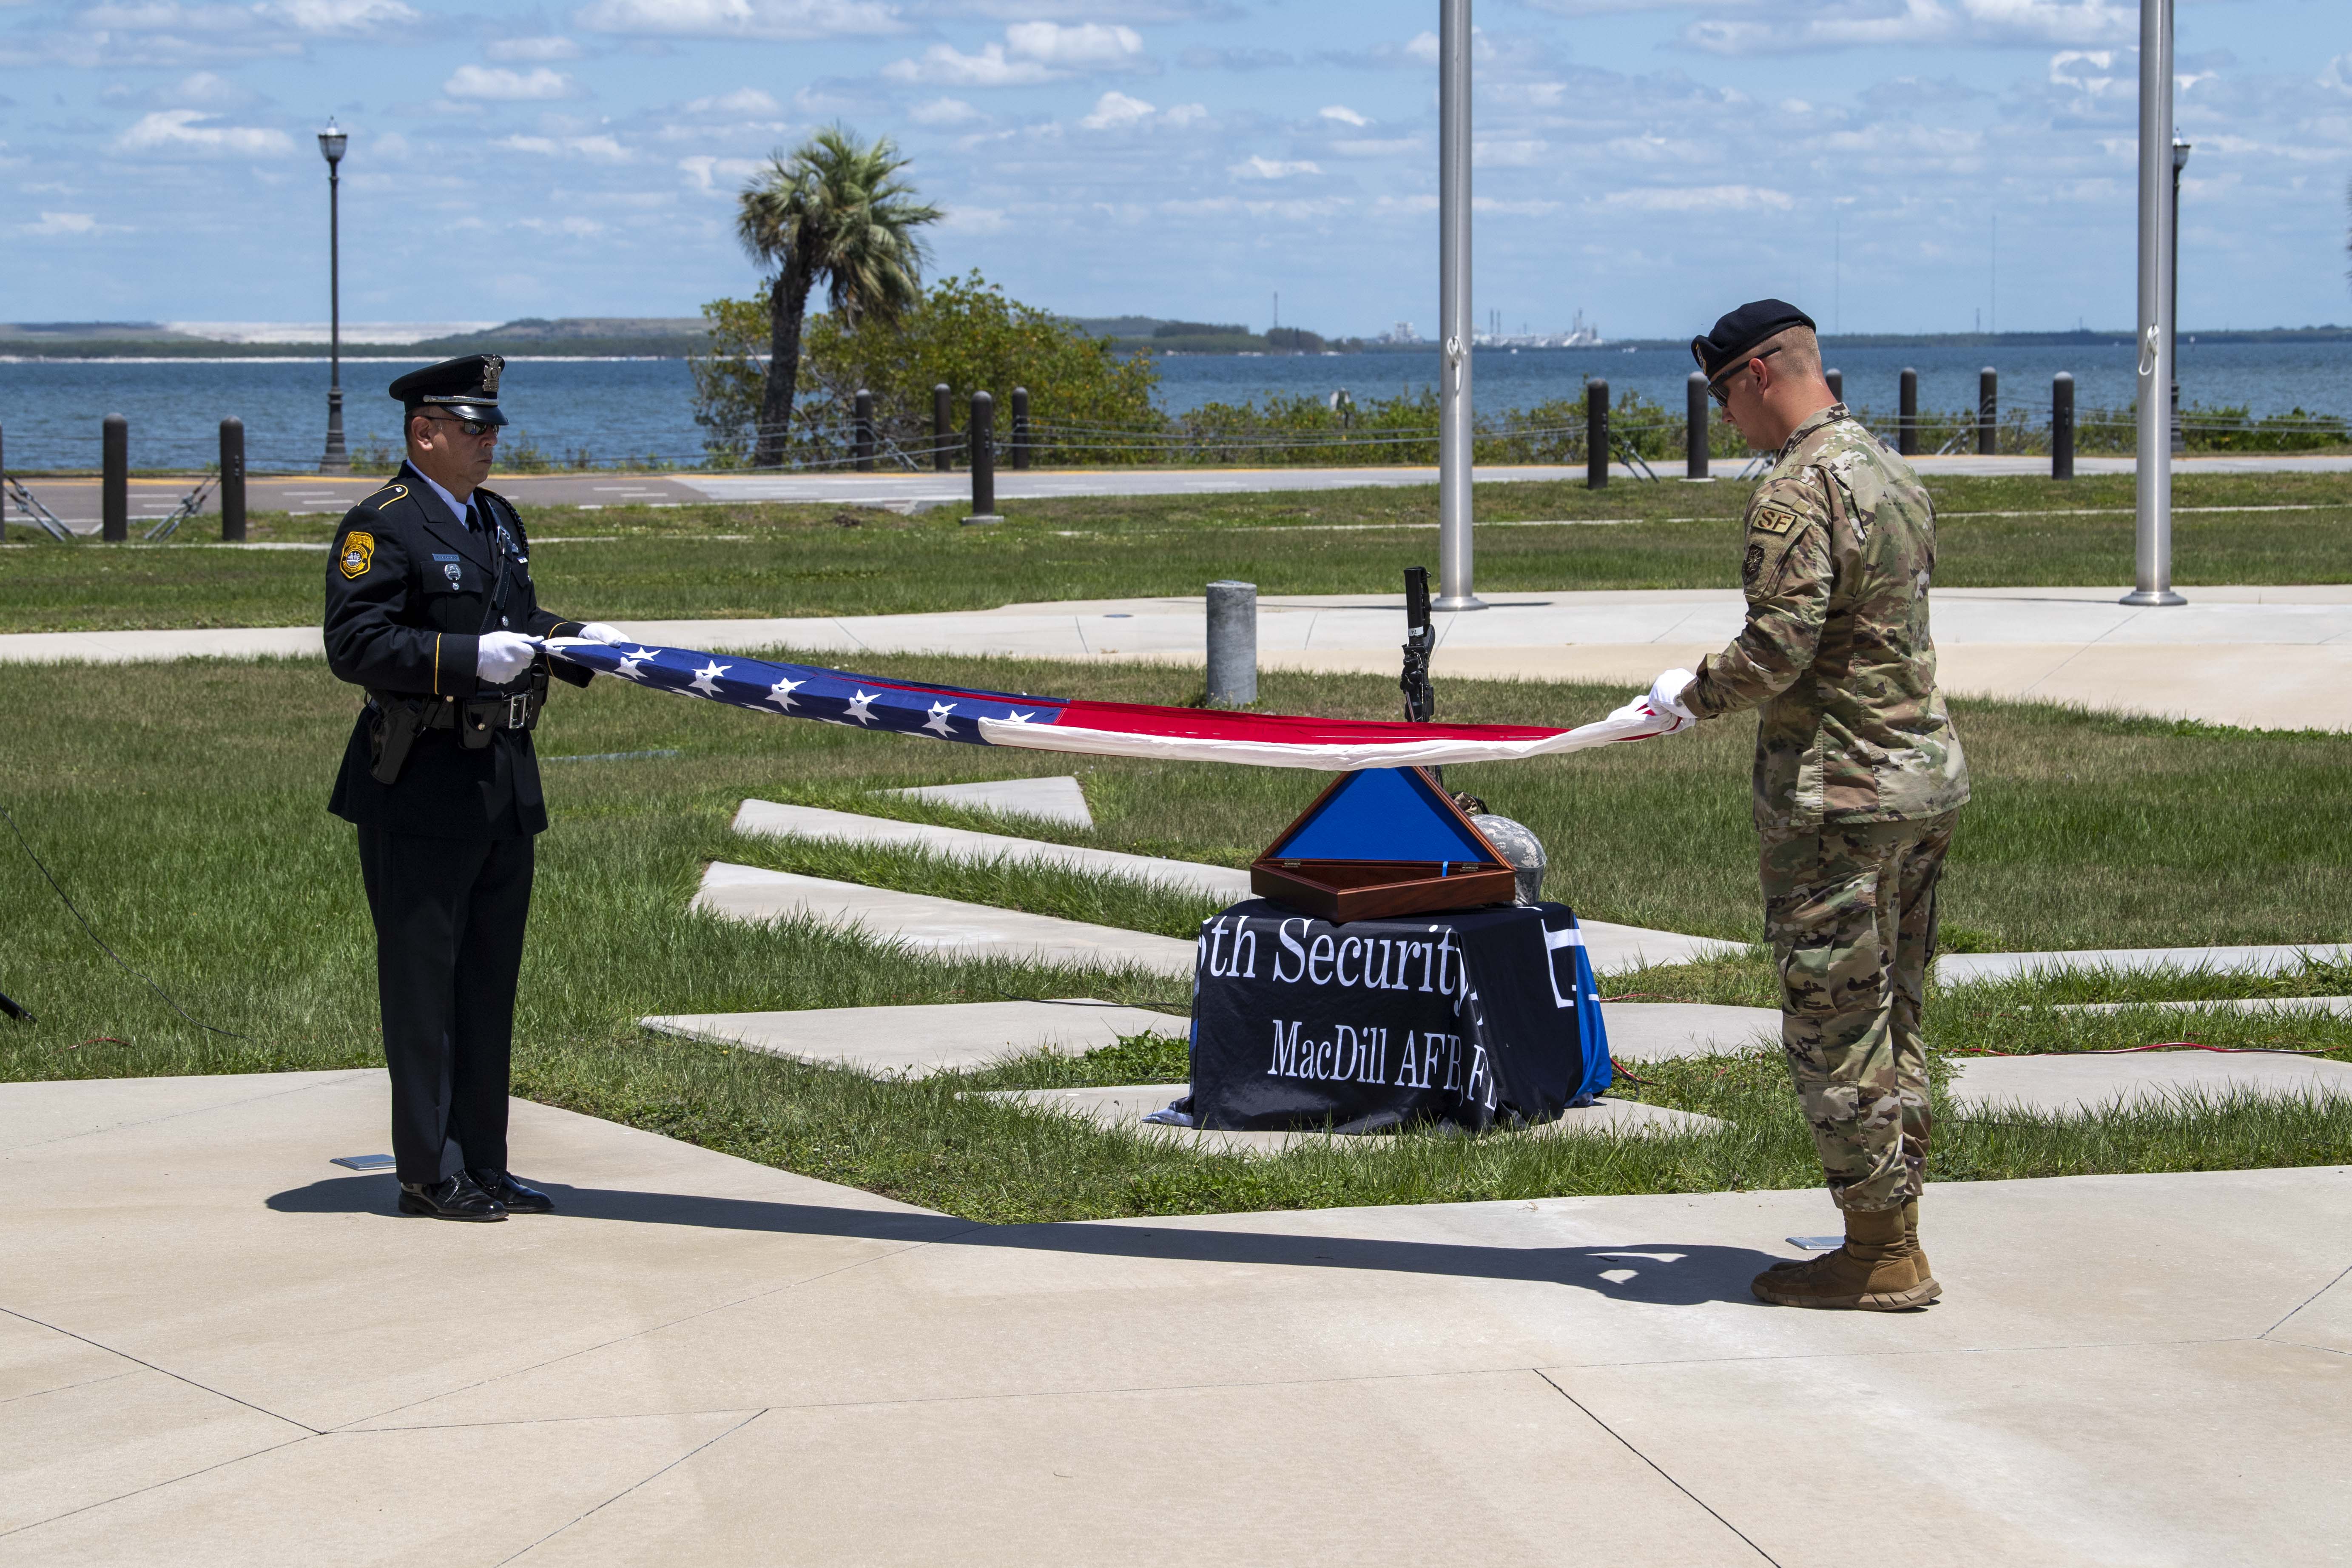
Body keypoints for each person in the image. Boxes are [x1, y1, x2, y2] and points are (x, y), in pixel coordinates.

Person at [1622, 300, 1970, 1310]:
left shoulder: (1796, 487)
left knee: (1835, 1025)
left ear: (1762, 375)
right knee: (1894, 1015)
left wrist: (1688, 696)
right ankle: (1894, 1227)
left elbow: (1780, 646)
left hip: (1839, 795)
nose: (1728, 419)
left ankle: (1878, 1253)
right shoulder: (1889, 467)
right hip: (1920, 778)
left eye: (1725, 396)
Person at [323, 354, 626, 1221]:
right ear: (426, 433)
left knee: (489, 983)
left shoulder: (495, 517)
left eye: (492, 426)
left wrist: (575, 639)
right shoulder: (381, 525)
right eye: (474, 427)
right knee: (425, 988)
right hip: (420, 782)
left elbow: (516, 620)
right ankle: (429, 1168)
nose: (492, 440)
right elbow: (355, 643)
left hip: (500, 780)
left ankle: (484, 1162)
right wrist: (459, 661)